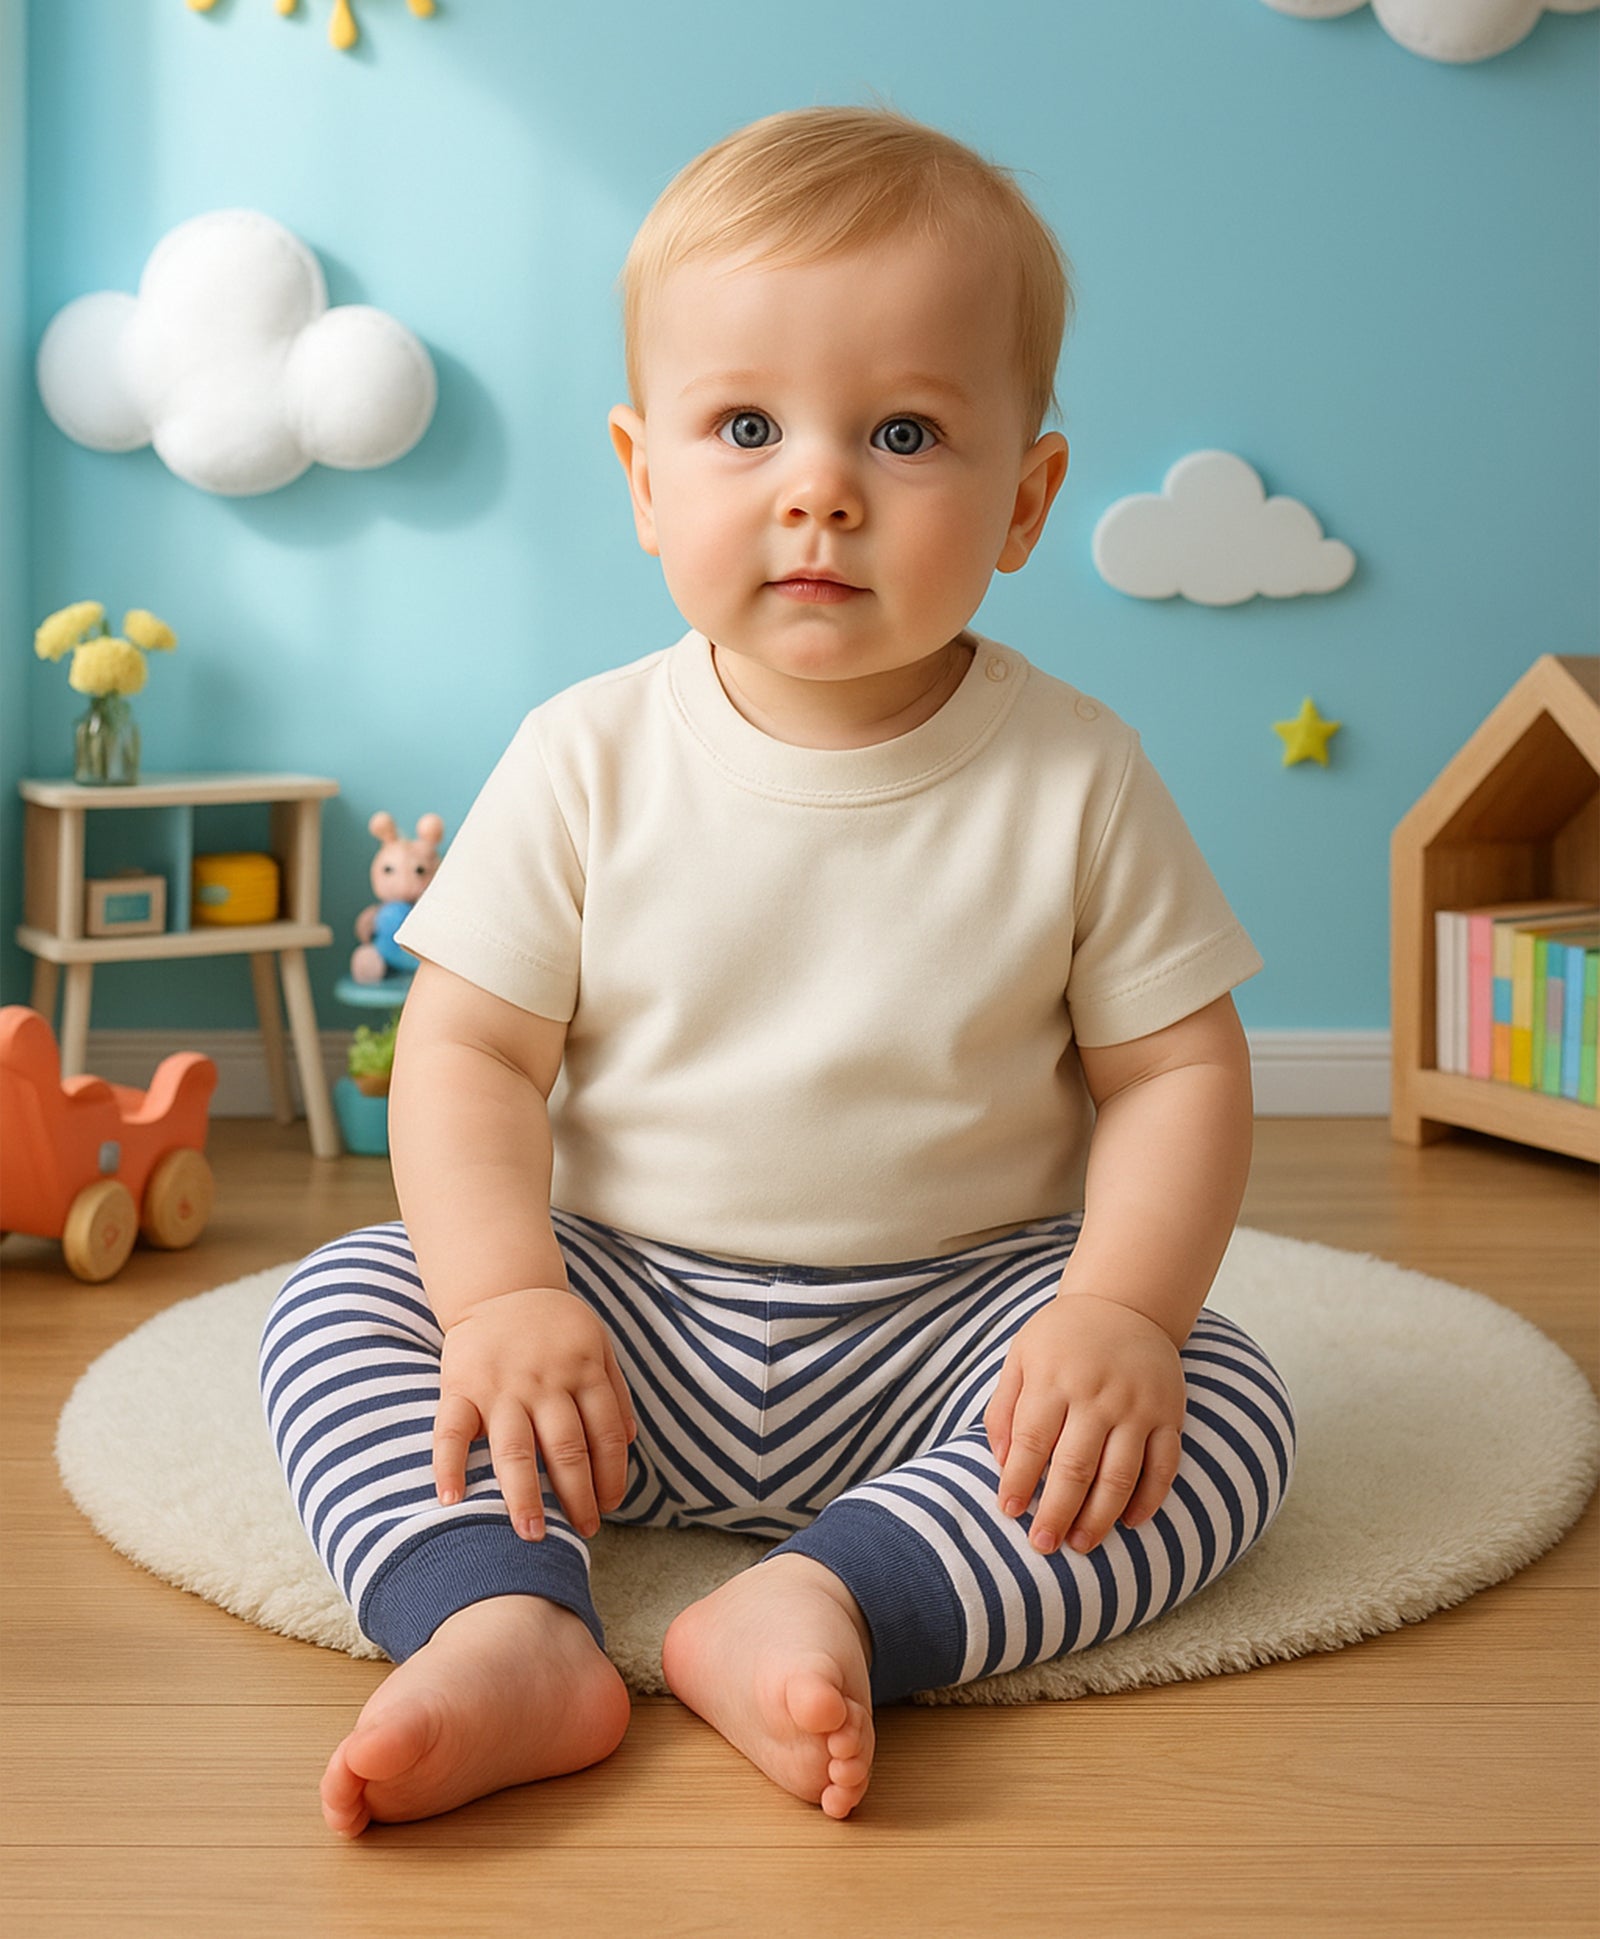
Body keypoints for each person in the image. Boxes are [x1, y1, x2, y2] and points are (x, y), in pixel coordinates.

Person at [260, 104, 1296, 1840]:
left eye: (904, 432)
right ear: (644, 476)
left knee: (1223, 1403)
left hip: (958, 1330)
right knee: (344, 1309)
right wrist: (511, 1298)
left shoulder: (1078, 774)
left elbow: (1178, 1072)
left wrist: (1117, 1315)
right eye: (746, 427)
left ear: (1027, 497)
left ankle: (837, 1599)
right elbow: (469, 1057)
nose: (818, 486)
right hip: (621, 1327)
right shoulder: (585, 754)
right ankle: (508, 1619)